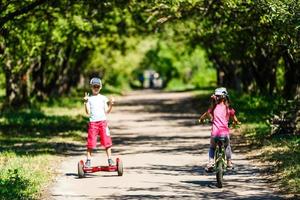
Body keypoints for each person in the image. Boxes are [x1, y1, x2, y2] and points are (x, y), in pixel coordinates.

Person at [199, 87, 240, 171]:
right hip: (224, 134)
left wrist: (201, 119)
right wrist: (236, 123)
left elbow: (206, 114)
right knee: (227, 146)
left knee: (212, 148)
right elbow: (235, 119)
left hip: (215, 134)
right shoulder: (228, 108)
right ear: (225, 97)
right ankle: (229, 162)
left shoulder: (213, 107)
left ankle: (210, 163)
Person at [83, 77, 115, 167]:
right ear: (91, 87)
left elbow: (107, 111)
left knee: (107, 141)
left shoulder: (103, 98)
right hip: (93, 123)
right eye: (94, 86)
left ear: (100, 87)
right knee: (91, 142)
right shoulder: (88, 99)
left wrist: (111, 105)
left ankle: (110, 159)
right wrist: (85, 103)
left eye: (97, 86)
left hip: (103, 123)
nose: (96, 88)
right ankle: (88, 160)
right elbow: (87, 112)